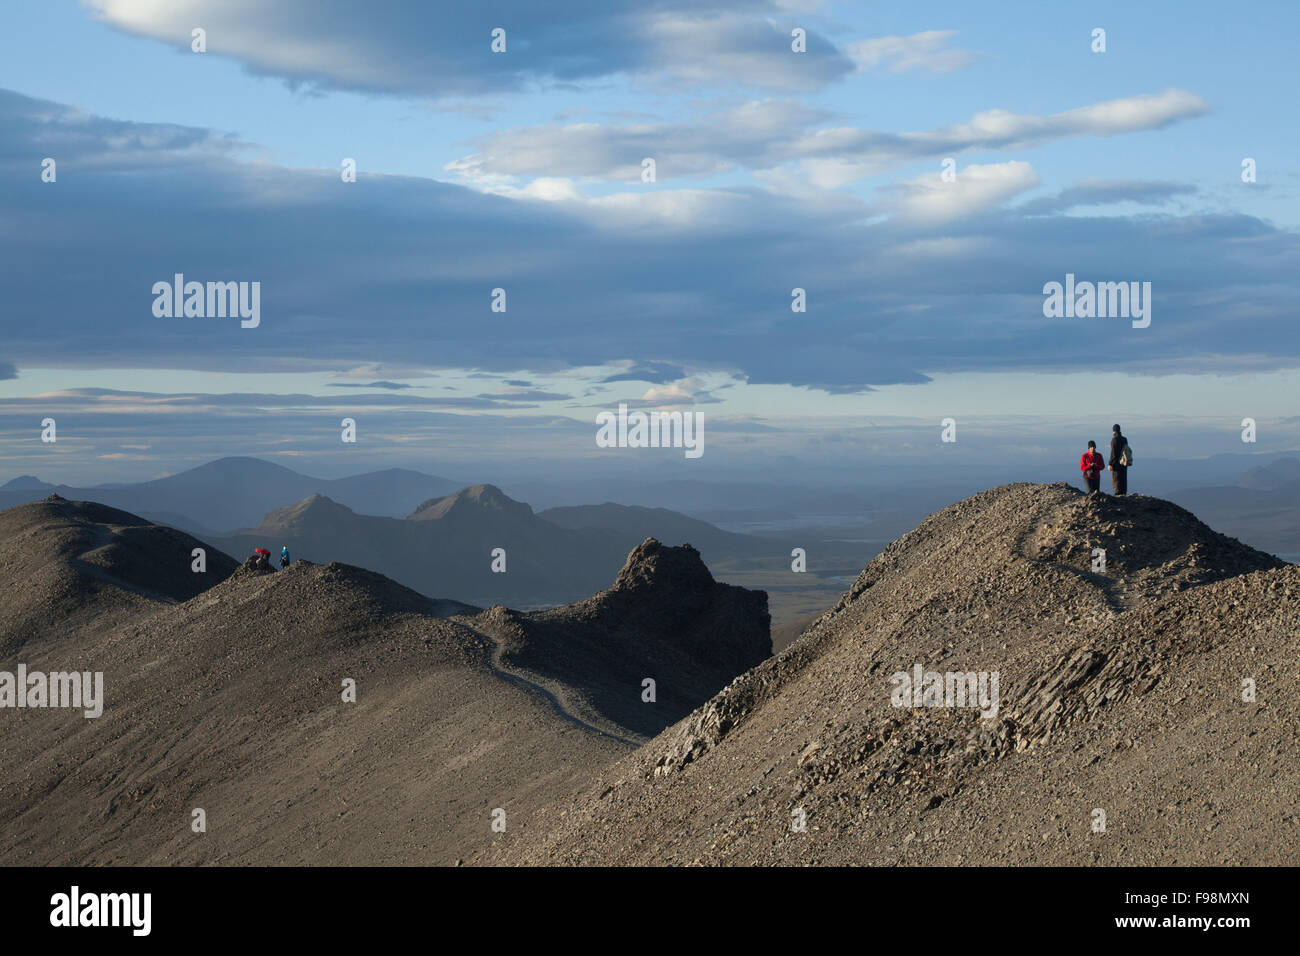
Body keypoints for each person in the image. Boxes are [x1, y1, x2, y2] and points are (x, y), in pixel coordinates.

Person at [1108, 424, 1129, 496]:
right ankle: (1124, 494)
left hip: (1116, 464)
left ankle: (1118, 495)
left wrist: (1110, 463)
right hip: (1124, 463)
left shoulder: (1114, 440)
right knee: (1123, 479)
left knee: (1116, 480)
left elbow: (1113, 453)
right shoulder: (1124, 439)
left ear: (1114, 431)